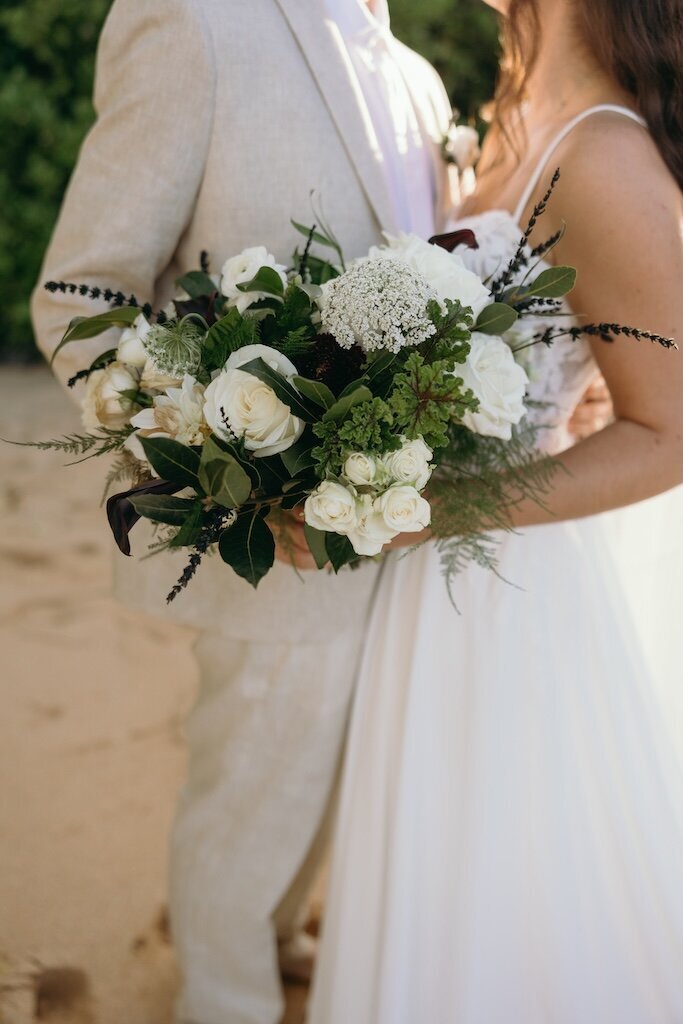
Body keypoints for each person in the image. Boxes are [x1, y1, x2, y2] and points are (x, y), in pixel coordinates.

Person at [30, 2, 455, 1022]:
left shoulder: (417, 78)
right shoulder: (194, 23)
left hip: (400, 523)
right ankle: (225, 997)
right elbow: (83, 294)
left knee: (330, 768)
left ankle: (275, 933)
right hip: (269, 535)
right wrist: (224, 470)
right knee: (253, 793)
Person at [308, 1, 683, 1022]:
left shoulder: (601, 155)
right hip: (432, 579)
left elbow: (667, 432)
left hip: (511, 593)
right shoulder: (511, 114)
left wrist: (432, 509)